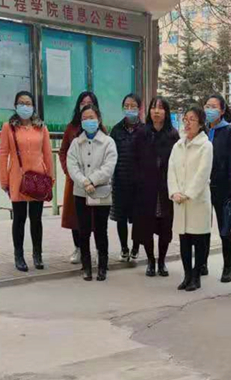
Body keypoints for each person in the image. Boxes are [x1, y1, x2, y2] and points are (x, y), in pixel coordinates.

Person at [0, 91, 55, 272]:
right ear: (15, 106)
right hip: (17, 178)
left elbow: (47, 154)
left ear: (33, 106)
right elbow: (3, 154)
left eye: (28, 103)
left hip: (38, 178)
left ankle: (37, 255)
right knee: (19, 218)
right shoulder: (8, 127)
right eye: (21, 103)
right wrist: (4, 179)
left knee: (36, 219)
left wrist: (51, 178)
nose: (25, 106)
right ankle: (19, 255)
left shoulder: (41, 127)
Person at [67, 104, 118, 282]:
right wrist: (84, 182)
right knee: (83, 230)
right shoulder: (76, 143)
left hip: (101, 192)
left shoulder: (108, 142)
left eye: (91, 118)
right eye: (85, 118)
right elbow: (72, 166)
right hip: (81, 193)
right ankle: (87, 267)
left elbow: (109, 167)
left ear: (98, 119)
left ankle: (102, 266)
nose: (88, 121)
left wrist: (92, 181)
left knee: (101, 230)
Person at [132, 96, 180, 277]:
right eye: (153, 107)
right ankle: (151, 261)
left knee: (165, 228)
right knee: (147, 226)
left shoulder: (173, 135)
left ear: (166, 112)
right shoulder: (142, 133)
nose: (156, 111)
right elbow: (134, 160)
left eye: (160, 108)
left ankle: (162, 262)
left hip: (165, 190)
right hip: (146, 189)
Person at [168, 105, 214, 292]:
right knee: (184, 241)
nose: (187, 123)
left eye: (192, 119)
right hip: (180, 201)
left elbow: (203, 174)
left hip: (197, 201)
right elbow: (171, 170)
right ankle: (187, 275)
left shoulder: (206, 146)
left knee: (199, 241)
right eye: (185, 119)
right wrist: (174, 192)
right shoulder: (178, 146)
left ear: (201, 123)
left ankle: (196, 276)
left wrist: (187, 193)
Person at [202, 93, 231, 282]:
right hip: (203, 188)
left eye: (214, 107)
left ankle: (228, 267)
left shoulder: (229, 133)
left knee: (225, 230)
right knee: (202, 228)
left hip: (223, 188)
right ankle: (202, 263)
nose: (209, 110)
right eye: (207, 106)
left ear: (222, 110)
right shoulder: (202, 130)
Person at [60, 91, 100, 265]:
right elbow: (63, 152)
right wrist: (69, 171)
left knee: (95, 217)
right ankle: (78, 248)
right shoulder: (71, 128)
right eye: (82, 103)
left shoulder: (100, 129)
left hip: (95, 183)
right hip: (75, 180)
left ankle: (98, 249)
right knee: (75, 217)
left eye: (89, 102)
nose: (85, 105)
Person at [110, 93, 145, 264]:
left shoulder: (145, 130)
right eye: (126, 106)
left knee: (138, 218)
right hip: (120, 181)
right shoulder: (116, 130)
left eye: (133, 106)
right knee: (121, 217)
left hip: (139, 183)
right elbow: (111, 155)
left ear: (140, 108)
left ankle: (136, 247)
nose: (129, 109)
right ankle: (124, 248)